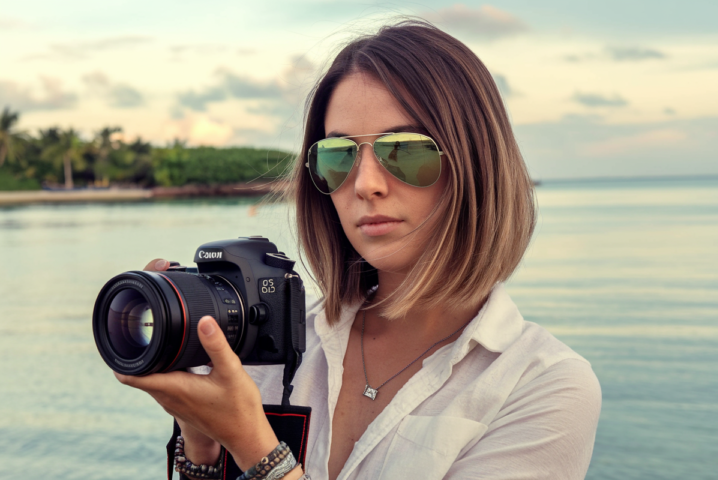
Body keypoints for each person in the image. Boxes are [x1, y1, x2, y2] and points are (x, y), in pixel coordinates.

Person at [116, 20, 602, 480]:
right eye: (338, 155)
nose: (365, 184)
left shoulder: (542, 385)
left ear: (475, 166)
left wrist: (255, 448)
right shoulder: (272, 349)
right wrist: (201, 446)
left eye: (405, 150)